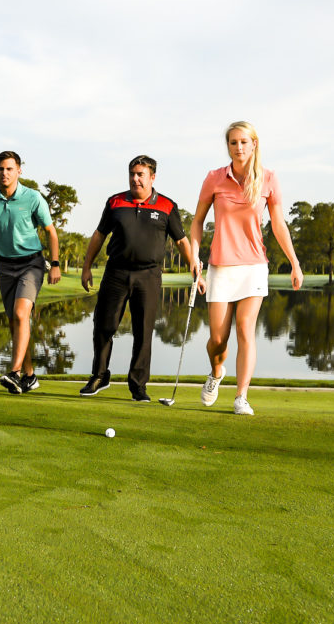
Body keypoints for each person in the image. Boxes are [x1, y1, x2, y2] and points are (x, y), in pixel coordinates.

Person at [187, 121, 303, 416]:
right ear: (228, 146)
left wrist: (294, 262)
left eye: (243, 142)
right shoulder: (214, 178)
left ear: (254, 145)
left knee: (245, 329)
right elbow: (197, 221)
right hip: (220, 266)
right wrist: (194, 256)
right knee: (217, 339)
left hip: (253, 265)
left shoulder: (268, 178)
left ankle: (241, 397)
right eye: (233, 143)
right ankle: (216, 373)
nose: (238, 148)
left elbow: (278, 224)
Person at [79, 155, 202, 401]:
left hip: (149, 275)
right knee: (104, 326)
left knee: (143, 331)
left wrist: (194, 266)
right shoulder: (115, 202)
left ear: (152, 177)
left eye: (140, 174)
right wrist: (86, 266)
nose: (135, 179)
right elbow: (99, 235)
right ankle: (99, 376)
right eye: (132, 174)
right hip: (116, 271)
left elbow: (181, 240)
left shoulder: (167, 205)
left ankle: (138, 385)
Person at [0, 151, 61, 394]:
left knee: (22, 314)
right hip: (4, 265)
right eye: (1, 169)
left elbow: (51, 232)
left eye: (9, 169)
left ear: (19, 171)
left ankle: (13, 373)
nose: (4, 173)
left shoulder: (33, 198)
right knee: (15, 323)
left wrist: (55, 263)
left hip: (31, 264)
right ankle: (30, 376)